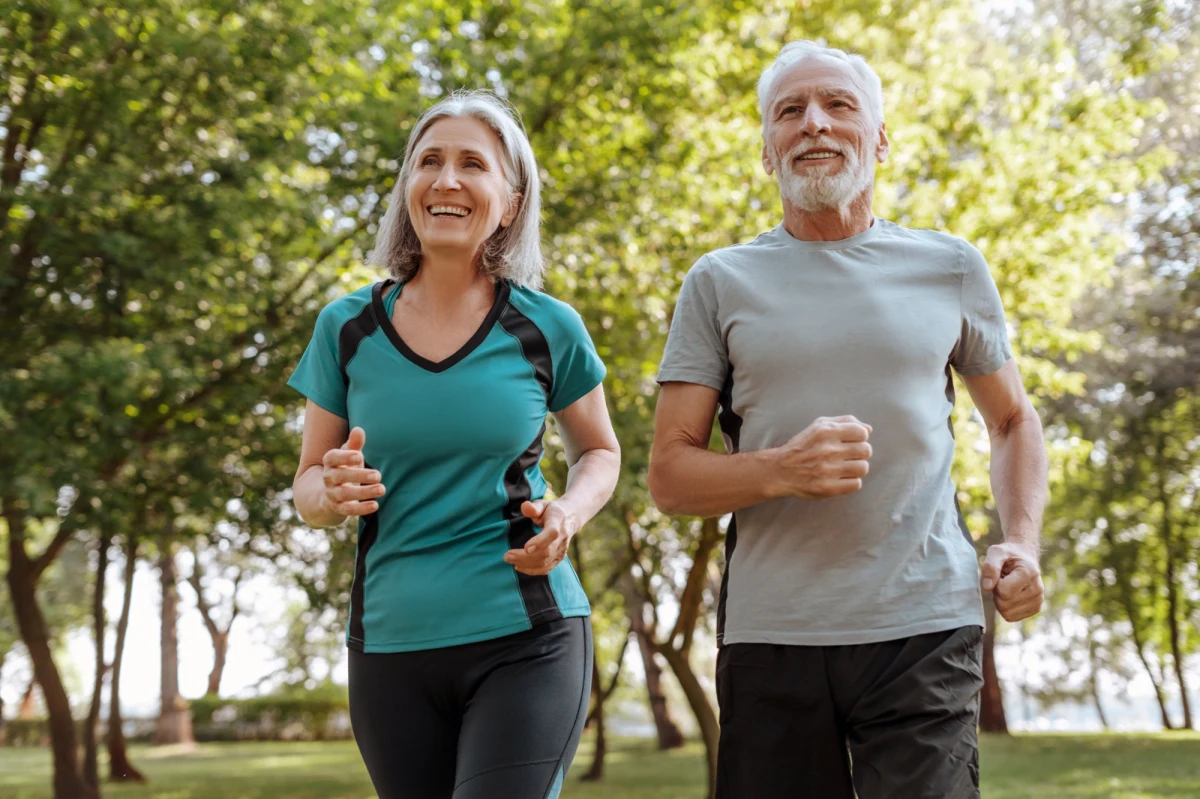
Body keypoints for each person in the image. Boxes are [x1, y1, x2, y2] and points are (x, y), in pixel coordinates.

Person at [649, 41, 1047, 798]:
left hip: (927, 623)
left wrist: (1021, 543)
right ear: (768, 152)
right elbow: (668, 474)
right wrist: (778, 469)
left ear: (881, 138)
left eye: (838, 105)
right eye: (789, 112)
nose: (814, 124)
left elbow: (1013, 422)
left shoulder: (950, 265)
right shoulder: (719, 281)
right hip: (773, 634)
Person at [288, 90, 620, 799]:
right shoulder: (345, 329)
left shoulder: (547, 327)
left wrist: (569, 513)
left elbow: (600, 451)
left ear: (509, 201)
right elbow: (308, 484)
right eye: (428, 161)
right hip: (390, 645)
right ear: (408, 187)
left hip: (526, 634)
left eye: (474, 163)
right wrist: (330, 492)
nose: (446, 179)